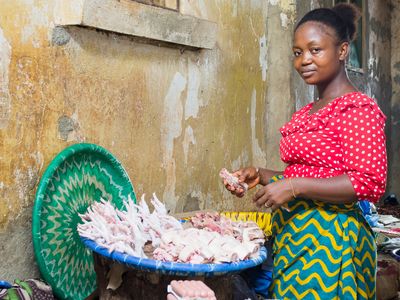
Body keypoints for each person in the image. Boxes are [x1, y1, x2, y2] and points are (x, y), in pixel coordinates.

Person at [224, 3, 387, 299]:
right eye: (298, 53)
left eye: (315, 50)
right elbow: (308, 173)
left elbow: (367, 182)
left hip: (333, 246)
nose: (304, 61)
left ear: (342, 50)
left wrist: (294, 186)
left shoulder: (357, 109)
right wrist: (261, 175)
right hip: (295, 238)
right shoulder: (308, 113)